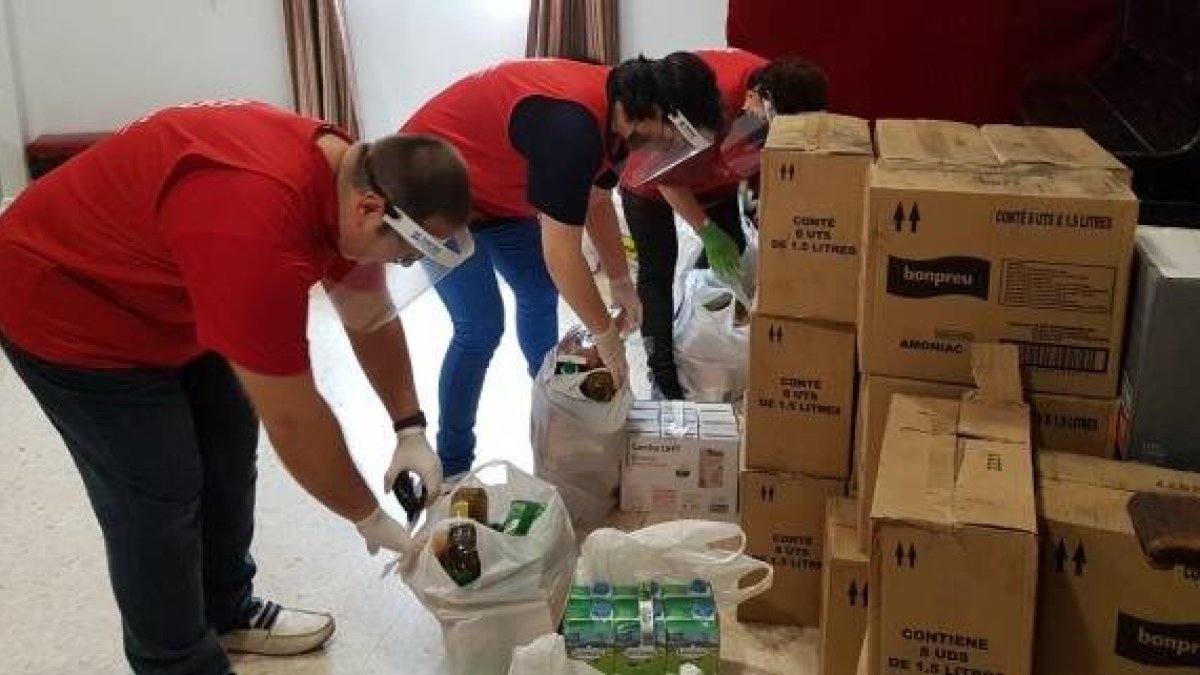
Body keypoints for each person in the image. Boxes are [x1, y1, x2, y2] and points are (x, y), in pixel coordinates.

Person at [0, 99, 472, 675]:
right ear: (372, 209)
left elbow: (368, 315)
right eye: (405, 253)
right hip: (67, 304)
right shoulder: (255, 226)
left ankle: (228, 612)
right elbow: (296, 418)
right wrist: (368, 516)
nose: (399, 266)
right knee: (158, 493)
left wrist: (410, 428)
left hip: (179, 291)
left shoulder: (351, 175)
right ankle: (174, 662)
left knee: (227, 453)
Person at [401, 54, 724, 480]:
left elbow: (595, 200)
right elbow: (561, 255)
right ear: (656, 114)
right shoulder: (572, 129)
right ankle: (452, 466)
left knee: (537, 293)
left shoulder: (619, 116)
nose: (667, 151)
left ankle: (555, 402)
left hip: (497, 191)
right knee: (480, 327)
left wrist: (621, 281)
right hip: (429, 190)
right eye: (671, 140)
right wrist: (606, 337)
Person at [619, 51, 828, 399]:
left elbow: (771, 161)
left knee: (733, 243)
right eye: (767, 119)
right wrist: (705, 229)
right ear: (756, 95)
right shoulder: (713, 95)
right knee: (658, 270)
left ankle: (696, 310)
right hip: (651, 181)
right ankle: (664, 376)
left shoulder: (784, 90)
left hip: (715, 175)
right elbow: (666, 179)